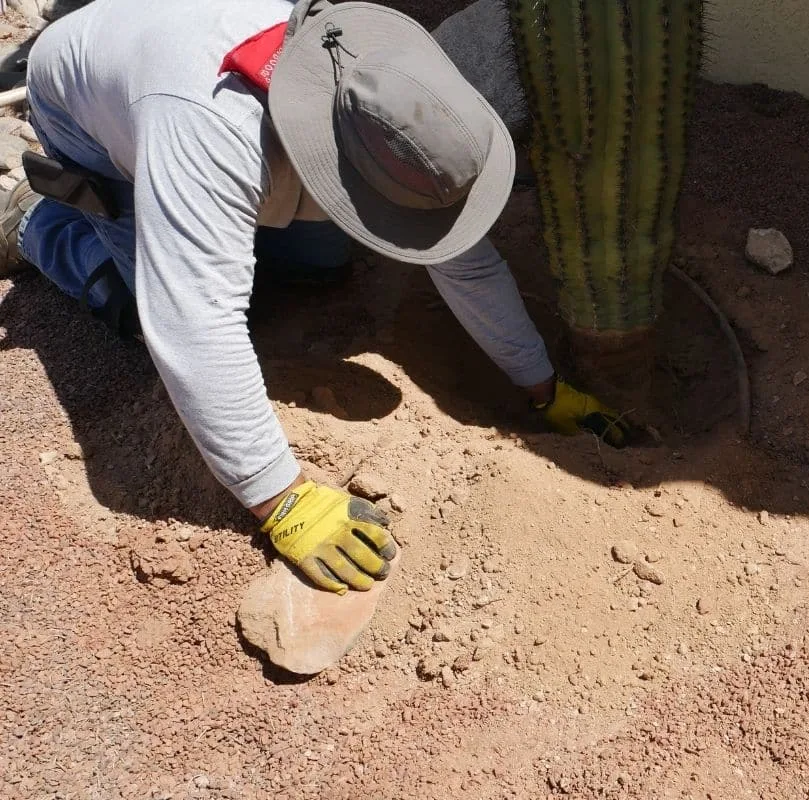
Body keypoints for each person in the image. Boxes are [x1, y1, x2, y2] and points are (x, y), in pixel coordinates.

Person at [1, 0, 628, 594]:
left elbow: (458, 256)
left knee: (325, 261)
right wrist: (280, 495)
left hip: (167, 59)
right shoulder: (212, 132)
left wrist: (541, 385)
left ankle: (212, 227)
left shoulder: (387, 84)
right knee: (146, 307)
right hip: (87, 102)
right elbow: (193, 325)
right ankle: (32, 221)